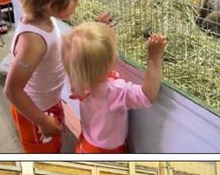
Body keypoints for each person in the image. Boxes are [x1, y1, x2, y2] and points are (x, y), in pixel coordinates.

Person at [3, 0, 90, 154]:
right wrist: (41, 120)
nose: (78, 3)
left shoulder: (42, 19)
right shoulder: (33, 41)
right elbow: (12, 90)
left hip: (47, 101)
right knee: (44, 152)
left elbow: (55, 48)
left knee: (54, 142)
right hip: (35, 112)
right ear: (50, 5)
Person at [61, 23, 166, 154]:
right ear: (110, 61)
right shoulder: (113, 91)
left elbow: (85, 58)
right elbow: (148, 95)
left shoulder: (79, 80)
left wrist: (98, 37)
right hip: (106, 152)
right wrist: (154, 58)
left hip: (87, 143)